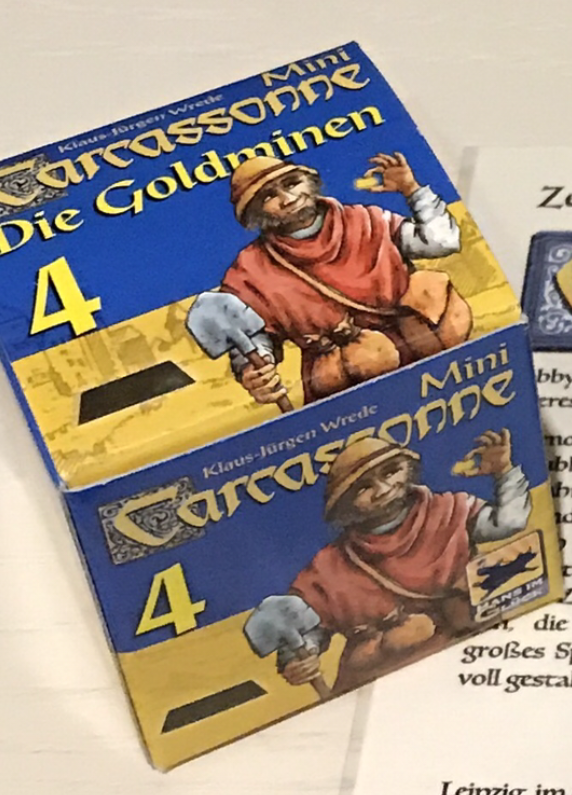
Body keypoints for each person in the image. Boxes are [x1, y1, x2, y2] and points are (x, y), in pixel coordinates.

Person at [243, 430, 532, 695]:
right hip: (376, 688)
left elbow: (508, 522)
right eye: (363, 487)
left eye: (391, 472)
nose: (382, 489)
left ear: (408, 469)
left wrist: (504, 472)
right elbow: (306, 631)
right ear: (345, 504)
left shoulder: (449, 511)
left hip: (471, 660)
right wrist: (300, 660)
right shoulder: (331, 566)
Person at [185, 152, 472, 408]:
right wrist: (256, 372)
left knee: (430, 289)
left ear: (309, 182)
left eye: (291, 184)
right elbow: (251, 336)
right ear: (254, 213)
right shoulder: (251, 268)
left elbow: (443, 242)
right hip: (349, 382)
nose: (288, 199)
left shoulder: (365, 220)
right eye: (268, 197)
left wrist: (412, 191)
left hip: (426, 350)